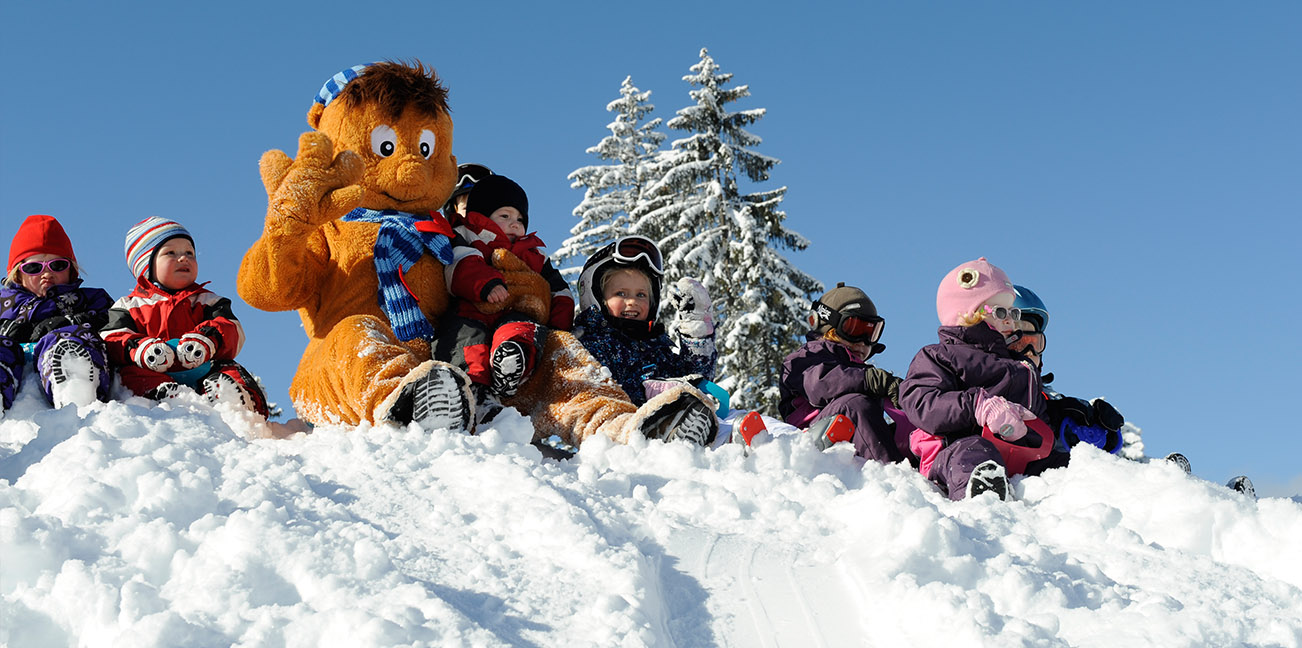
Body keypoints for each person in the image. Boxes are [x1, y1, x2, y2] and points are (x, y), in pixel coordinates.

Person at [900, 258, 1069, 501]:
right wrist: (976, 405)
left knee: (1067, 466)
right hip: (954, 451)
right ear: (968, 314)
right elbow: (922, 403)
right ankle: (983, 510)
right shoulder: (940, 356)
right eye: (1000, 312)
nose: (1010, 320)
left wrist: (1071, 417)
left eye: (1012, 312)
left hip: (1021, 455)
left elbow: (1039, 416)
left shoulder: (1018, 366)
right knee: (976, 454)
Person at [433, 174, 576, 414]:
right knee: (467, 336)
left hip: (515, 312)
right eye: (505, 216)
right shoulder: (469, 237)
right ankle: (473, 385)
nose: (515, 224)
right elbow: (461, 264)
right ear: (482, 217)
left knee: (522, 329)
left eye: (520, 219)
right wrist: (486, 284)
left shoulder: (534, 253)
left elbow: (558, 288)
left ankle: (510, 363)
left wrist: (560, 321)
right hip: (473, 309)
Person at [102, 217, 270, 418]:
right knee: (129, 376)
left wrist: (207, 339)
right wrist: (140, 348)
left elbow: (232, 329)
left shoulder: (207, 301)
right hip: (154, 371)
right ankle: (161, 396)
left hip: (203, 369)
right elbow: (112, 338)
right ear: (146, 266)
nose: (184, 258)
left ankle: (238, 404)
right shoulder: (130, 306)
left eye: (189, 253)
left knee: (229, 369)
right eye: (171, 253)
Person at [573, 236, 717, 432]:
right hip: (625, 437)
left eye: (641, 295)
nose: (632, 301)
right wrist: (649, 391)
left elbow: (699, 379)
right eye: (621, 294)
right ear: (596, 297)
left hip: (677, 427)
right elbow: (597, 395)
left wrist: (696, 331)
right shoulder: (591, 345)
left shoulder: (656, 347)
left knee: (739, 423)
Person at [778, 283, 908, 462]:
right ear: (828, 326)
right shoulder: (806, 357)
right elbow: (820, 383)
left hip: (852, 440)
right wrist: (871, 380)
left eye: (870, 333)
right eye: (854, 329)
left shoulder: (860, 370)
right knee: (854, 404)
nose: (863, 342)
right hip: (809, 439)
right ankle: (892, 475)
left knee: (906, 430)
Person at [0, 214, 113, 413]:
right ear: (17, 274)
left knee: (71, 338)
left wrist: (68, 321)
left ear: (72, 270)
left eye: (58, 265)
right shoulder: (4, 303)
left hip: (61, 350)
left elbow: (112, 320)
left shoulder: (89, 299)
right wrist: (8, 329)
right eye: (34, 267)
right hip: (10, 356)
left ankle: (75, 386)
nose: (47, 273)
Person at [1007, 285, 1125, 454]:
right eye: (1018, 342)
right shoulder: (972, 386)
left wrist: (1099, 433)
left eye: (1033, 343)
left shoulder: (1048, 398)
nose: (1028, 353)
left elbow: (1062, 453)